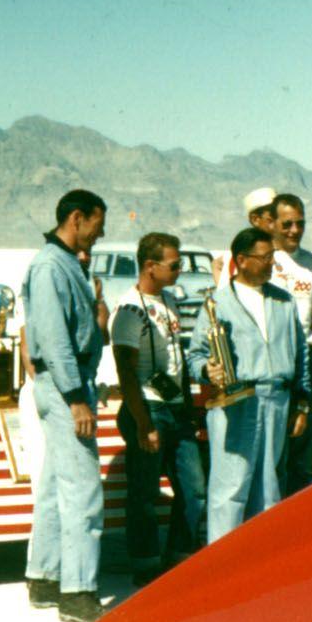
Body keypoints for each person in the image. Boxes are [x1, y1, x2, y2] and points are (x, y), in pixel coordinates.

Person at [189, 228, 312, 542]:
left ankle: (263, 558)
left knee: (270, 487)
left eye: (273, 256)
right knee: (230, 489)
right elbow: (196, 355)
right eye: (265, 257)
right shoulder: (218, 303)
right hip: (236, 405)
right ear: (242, 260)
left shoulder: (284, 301)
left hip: (278, 401)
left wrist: (301, 402)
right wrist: (208, 370)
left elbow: (301, 354)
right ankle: (222, 562)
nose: (272, 263)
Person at [22, 189, 108, 622]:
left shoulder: (64, 264)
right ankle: (78, 592)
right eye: (97, 225)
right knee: (83, 490)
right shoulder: (50, 267)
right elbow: (55, 340)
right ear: (77, 218)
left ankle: (46, 577)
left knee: (57, 485)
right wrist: (76, 399)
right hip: (64, 387)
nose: (100, 234)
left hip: (67, 383)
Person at [110, 232, 206, 586]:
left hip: (175, 408)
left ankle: (180, 558)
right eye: (175, 265)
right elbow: (127, 371)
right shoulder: (129, 309)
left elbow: (174, 360)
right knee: (145, 493)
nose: (180, 271)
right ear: (150, 266)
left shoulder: (168, 301)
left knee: (194, 489)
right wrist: (143, 423)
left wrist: (187, 406)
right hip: (147, 408)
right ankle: (146, 566)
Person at [268, 193, 312, 494]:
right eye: (287, 224)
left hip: (306, 358)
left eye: (300, 224)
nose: (294, 230)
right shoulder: (264, 260)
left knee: (303, 438)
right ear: (272, 223)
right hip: (274, 359)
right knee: (275, 444)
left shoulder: (311, 263)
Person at [213, 187, 279, 287]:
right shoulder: (234, 260)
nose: (279, 223)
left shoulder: (292, 255)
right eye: (272, 219)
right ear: (255, 219)